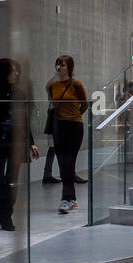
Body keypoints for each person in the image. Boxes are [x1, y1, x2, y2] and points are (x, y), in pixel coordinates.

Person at [0, 58, 39, 230]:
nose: (17, 73)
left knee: (12, 180)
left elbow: (24, 121)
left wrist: (31, 143)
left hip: (16, 142)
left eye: (17, 70)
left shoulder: (19, 93)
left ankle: (6, 213)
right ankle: (3, 213)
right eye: (13, 70)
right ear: (3, 73)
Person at [46, 55, 88, 214]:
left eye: (62, 65)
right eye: (57, 64)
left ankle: (67, 199)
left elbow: (84, 105)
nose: (58, 68)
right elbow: (52, 104)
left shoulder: (76, 84)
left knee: (69, 163)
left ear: (69, 67)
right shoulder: (53, 85)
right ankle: (71, 199)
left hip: (74, 126)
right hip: (59, 126)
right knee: (63, 163)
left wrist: (74, 116)